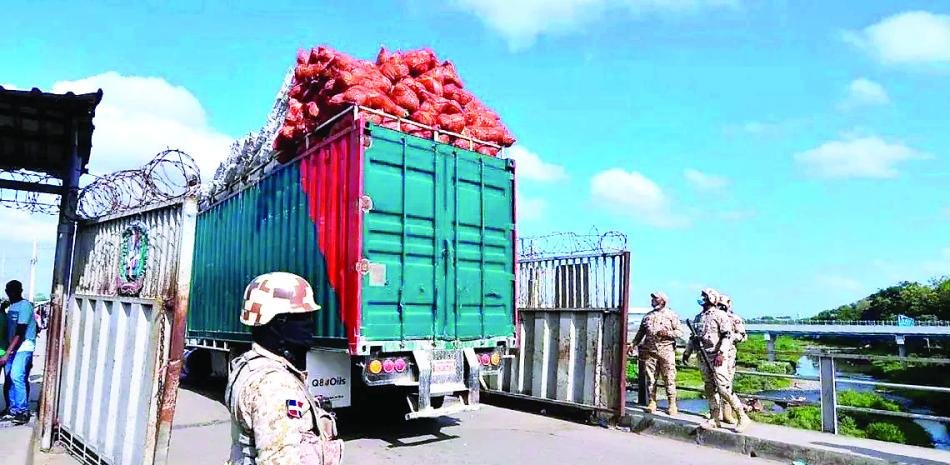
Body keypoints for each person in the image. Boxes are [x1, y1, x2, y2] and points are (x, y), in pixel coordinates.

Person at [225, 272, 344, 465]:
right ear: (278, 323)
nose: (310, 326)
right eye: (303, 318)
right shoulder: (274, 385)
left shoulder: (249, 364)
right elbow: (278, 460)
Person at [683, 288, 751, 432]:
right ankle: (714, 418)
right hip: (703, 356)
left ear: (711, 298)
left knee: (724, 388)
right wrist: (687, 352)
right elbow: (693, 337)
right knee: (709, 388)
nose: (701, 299)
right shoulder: (698, 317)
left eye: (704, 296)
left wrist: (721, 353)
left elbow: (727, 336)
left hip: (717, 357)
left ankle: (742, 416)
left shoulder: (721, 316)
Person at [630, 291, 682, 415]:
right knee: (651, 379)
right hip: (650, 351)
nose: (653, 301)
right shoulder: (648, 316)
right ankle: (652, 402)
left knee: (669, 378)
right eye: (652, 299)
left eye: (656, 299)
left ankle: (672, 404)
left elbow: (679, 332)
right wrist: (633, 344)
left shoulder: (671, 315)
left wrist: (668, 333)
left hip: (666, 351)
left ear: (662, 301)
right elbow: (640, 333)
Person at [0, 280, 37, 425]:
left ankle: (23, 410)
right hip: (13, 347)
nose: (9, 293)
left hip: (24, 346)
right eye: (7, 290)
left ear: (19, 291)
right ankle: (13, 409)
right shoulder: (11, 306)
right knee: (9, 379)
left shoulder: (25, 306)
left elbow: (20, 332)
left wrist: (7, 353)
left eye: (12, 290)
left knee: (17, 376)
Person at [717, 294, 746, 425]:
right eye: (719, 304)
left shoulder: (735, 319)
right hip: (713, 354)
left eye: (723, 305)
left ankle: (728, 414)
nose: (721, 307)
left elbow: (743, 336)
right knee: (714, 385)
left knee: (726, 384)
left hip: (728, 355)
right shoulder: (714, 316)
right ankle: (717, 414)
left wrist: (730, 337)